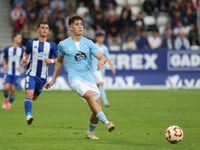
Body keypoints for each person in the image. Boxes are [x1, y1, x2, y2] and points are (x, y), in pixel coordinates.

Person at [44, 15, 115, 139]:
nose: (80, 26)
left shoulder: (89, 43)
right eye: (77, 24)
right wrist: (53, 80)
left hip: (89, 79)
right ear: (71, 27)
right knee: (88, 96)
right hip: (75, 79)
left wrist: (101, 62)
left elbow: (102, 57)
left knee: (96, 109)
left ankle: (90, 133)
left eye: (81, 24)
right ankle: (107, 122)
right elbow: (59, 61)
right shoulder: (63, 44)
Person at [21, 21, 58, 125]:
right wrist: (24, 58)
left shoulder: (52, 45)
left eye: (46, 28)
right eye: (42, 27)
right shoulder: (31, 43)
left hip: (42, 77)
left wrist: (50, 61)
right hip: (31, 74)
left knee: (34, 97)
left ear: (48, 30)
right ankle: (28, 116)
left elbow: (58, 59)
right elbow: (26, 53)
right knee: (29, 94)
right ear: (38, 30)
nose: (45, 29)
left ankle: (28, 104)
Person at [91, 32, 116, 107]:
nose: (101, 39)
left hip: (102, 70)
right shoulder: (93, 46)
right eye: (99, 38)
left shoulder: (105, 48)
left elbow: (108, 58)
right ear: (97, 38)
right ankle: (105, 102)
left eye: (102, 38)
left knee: (97, 86)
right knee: (101, 83)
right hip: (95, 69)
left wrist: (112, 67)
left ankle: (91, 99)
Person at [2, 33, 25, 109]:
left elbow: (27, 60)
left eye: (21, 38)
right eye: (19, 38)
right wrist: (4, 64)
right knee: (5, 89)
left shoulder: (21, 50)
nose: (20, 39)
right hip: (8, 73)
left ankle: (10, 103)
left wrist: (21, 66)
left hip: (17, 74)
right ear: (14, 38)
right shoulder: (8, 49)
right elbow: (3, 58)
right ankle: (6, 99)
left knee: (13, 90)